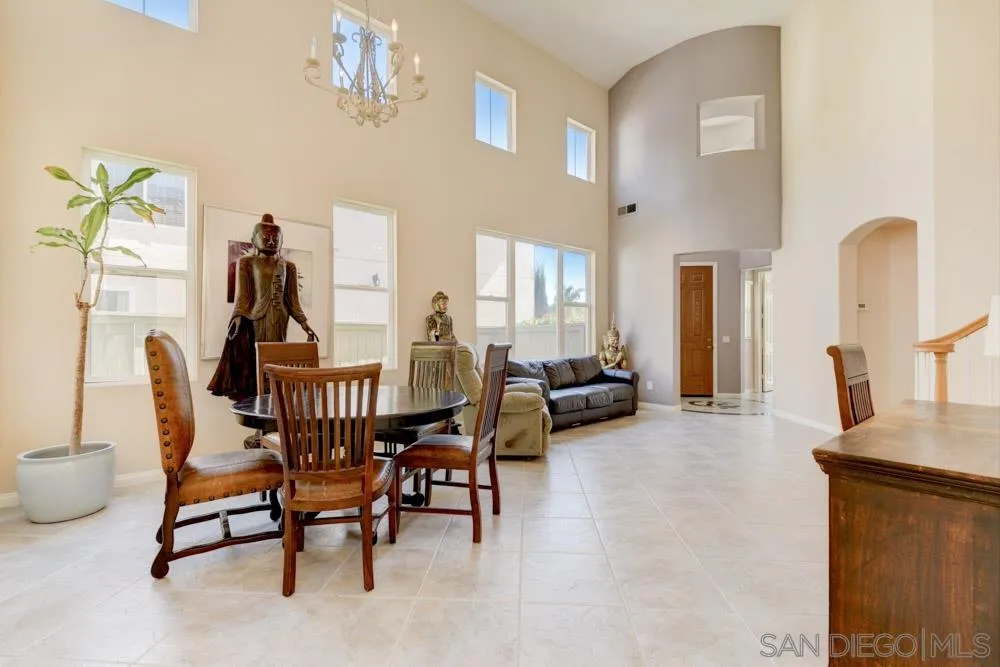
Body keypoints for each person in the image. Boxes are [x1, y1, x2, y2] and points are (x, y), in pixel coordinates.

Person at [208, 214, 317, 400]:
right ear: (254, 240)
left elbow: (292, 300)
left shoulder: (288, 266)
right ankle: (260, 394)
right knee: (256, 357)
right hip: (256, 316)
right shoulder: (247, 262)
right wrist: (237, 316)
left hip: (280, 316)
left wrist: (304, 323)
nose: (271, 241)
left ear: (282, 242)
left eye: (276, 238)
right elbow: (243, 295)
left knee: (277, 356)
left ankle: (274, 394)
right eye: (266, 237)